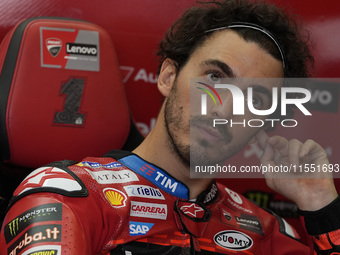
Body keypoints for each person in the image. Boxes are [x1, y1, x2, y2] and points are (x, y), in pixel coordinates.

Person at [1, 0, 339, 254]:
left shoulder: (268, 232)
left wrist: (322, 205)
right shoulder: (72, 197)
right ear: (167, 76)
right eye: (215, 77)